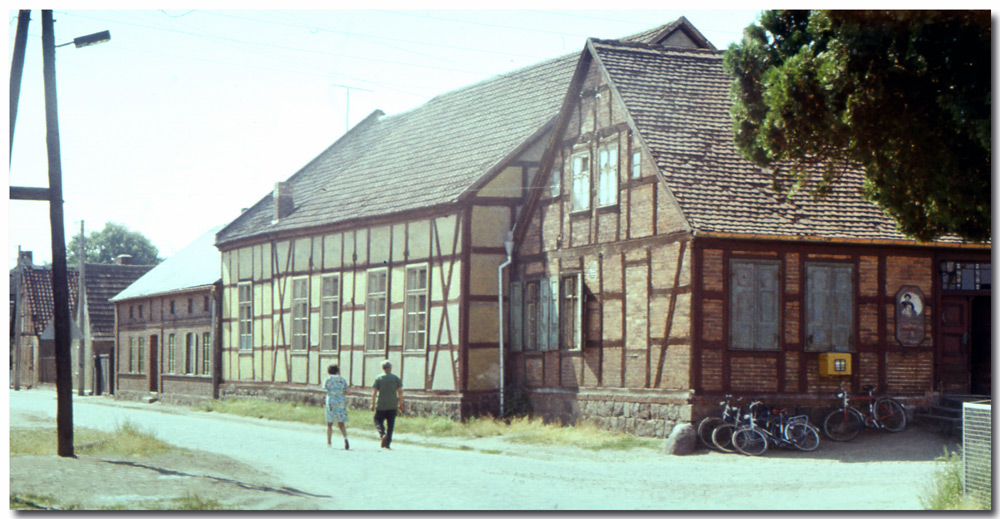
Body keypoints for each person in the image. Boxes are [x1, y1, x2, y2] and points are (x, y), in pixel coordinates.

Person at [371, 360, 403, 450]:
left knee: (377, 419)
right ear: (390, 368)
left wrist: (372, 404)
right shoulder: (395, 378)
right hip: (392, 405)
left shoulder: (379, 378)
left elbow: (374, 392)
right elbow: (400, 392)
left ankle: (382, 434)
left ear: (382, 368)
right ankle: (387, 443)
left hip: (381, 404)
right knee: (391, 424)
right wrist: (401, 404)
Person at [322, 364, 350, 450]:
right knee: (341, 423)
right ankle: (345, 438)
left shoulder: (327, 379)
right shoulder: (342, 379)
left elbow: (324, 388)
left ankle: (329, 443)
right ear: (337, 371)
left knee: (329, 424)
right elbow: (347, 391)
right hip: (340, 402)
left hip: (331, 402)